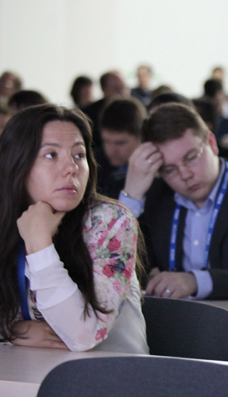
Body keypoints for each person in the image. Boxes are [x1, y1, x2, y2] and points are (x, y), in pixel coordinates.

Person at [0, 104, 147, 354]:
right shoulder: (5, 219)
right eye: (51, 155)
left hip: (111, 373)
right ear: (17, 163)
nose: (72, 168)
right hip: (25, 372)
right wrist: (11, 329)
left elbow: (84, 335)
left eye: (79, 155)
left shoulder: (110, 221)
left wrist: (40, 245)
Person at [118, 103, 228, 300]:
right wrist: (131, 197)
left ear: (211, 143)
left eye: (191, 157)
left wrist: (195, 281)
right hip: (172, 316)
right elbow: (114, 269)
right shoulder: (156, 195)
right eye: (169, 170)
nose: (185, 174)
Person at [96, 97, 146, 198]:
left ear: (140, 137)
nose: (111, 150)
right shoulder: (94, 166)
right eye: (106, 141)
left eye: (120, 143)